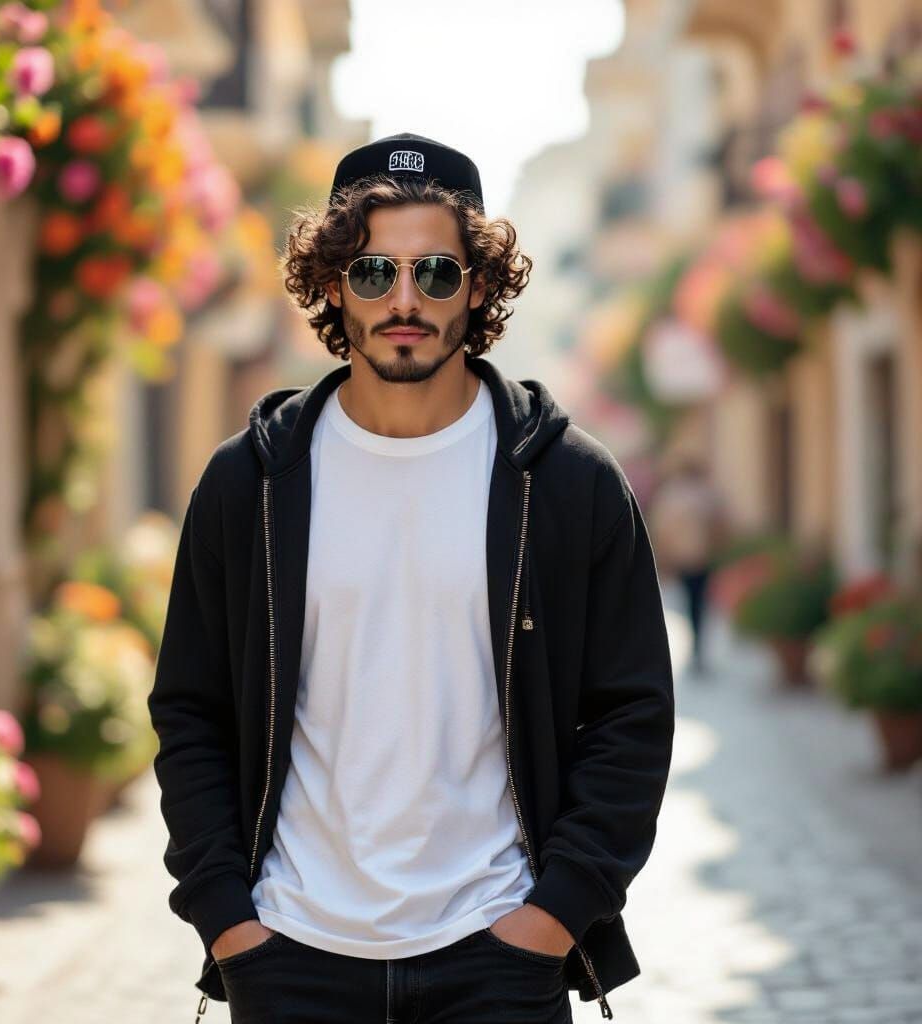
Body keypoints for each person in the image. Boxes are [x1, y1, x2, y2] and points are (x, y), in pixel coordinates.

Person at [147, 132, 675, 1024]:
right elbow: (191, 709)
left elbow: (631, 713)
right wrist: (228, 921)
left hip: (498, 957)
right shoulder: (252, 483)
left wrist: (553, 916)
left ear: (477, 286)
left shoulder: (568, 483)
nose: (403, 300)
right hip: (291, 952)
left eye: (434, 273)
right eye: (370, 273)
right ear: (329, 285)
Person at [648, 456, 729, 677]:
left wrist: (663, 554)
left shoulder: (671, 494)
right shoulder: (706, 493)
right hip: (702, 556)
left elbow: (660, 528)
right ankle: (697, 648)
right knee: (698, 603)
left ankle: (695, 648)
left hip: (683, 556)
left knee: (689, 602)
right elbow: (721, 524)